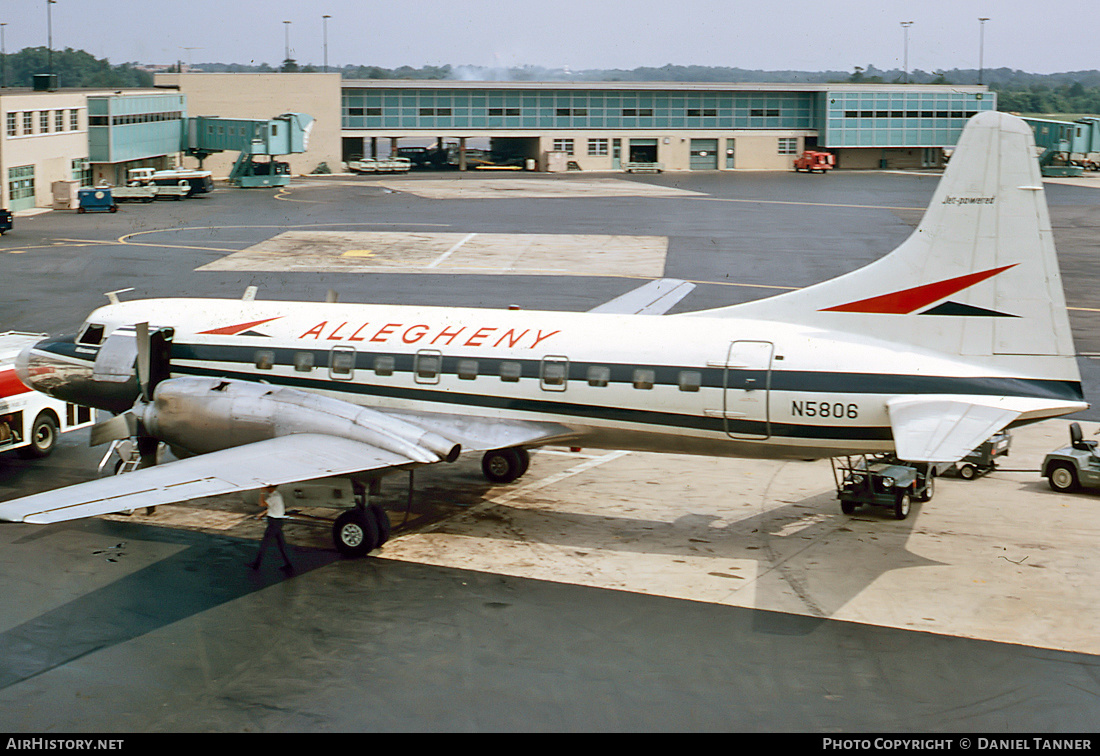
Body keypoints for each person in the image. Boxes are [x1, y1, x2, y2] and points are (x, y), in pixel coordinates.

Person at [249, 484, 293, 572]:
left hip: (273, 523)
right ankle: (288, 564)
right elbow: (271, 507)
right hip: (277, 522)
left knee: (264, 544)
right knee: (281, 545)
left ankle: (256, 564)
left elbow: (261, 503)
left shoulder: (274, 497)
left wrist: (262, 493)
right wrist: (262, 514)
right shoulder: (277, 495)